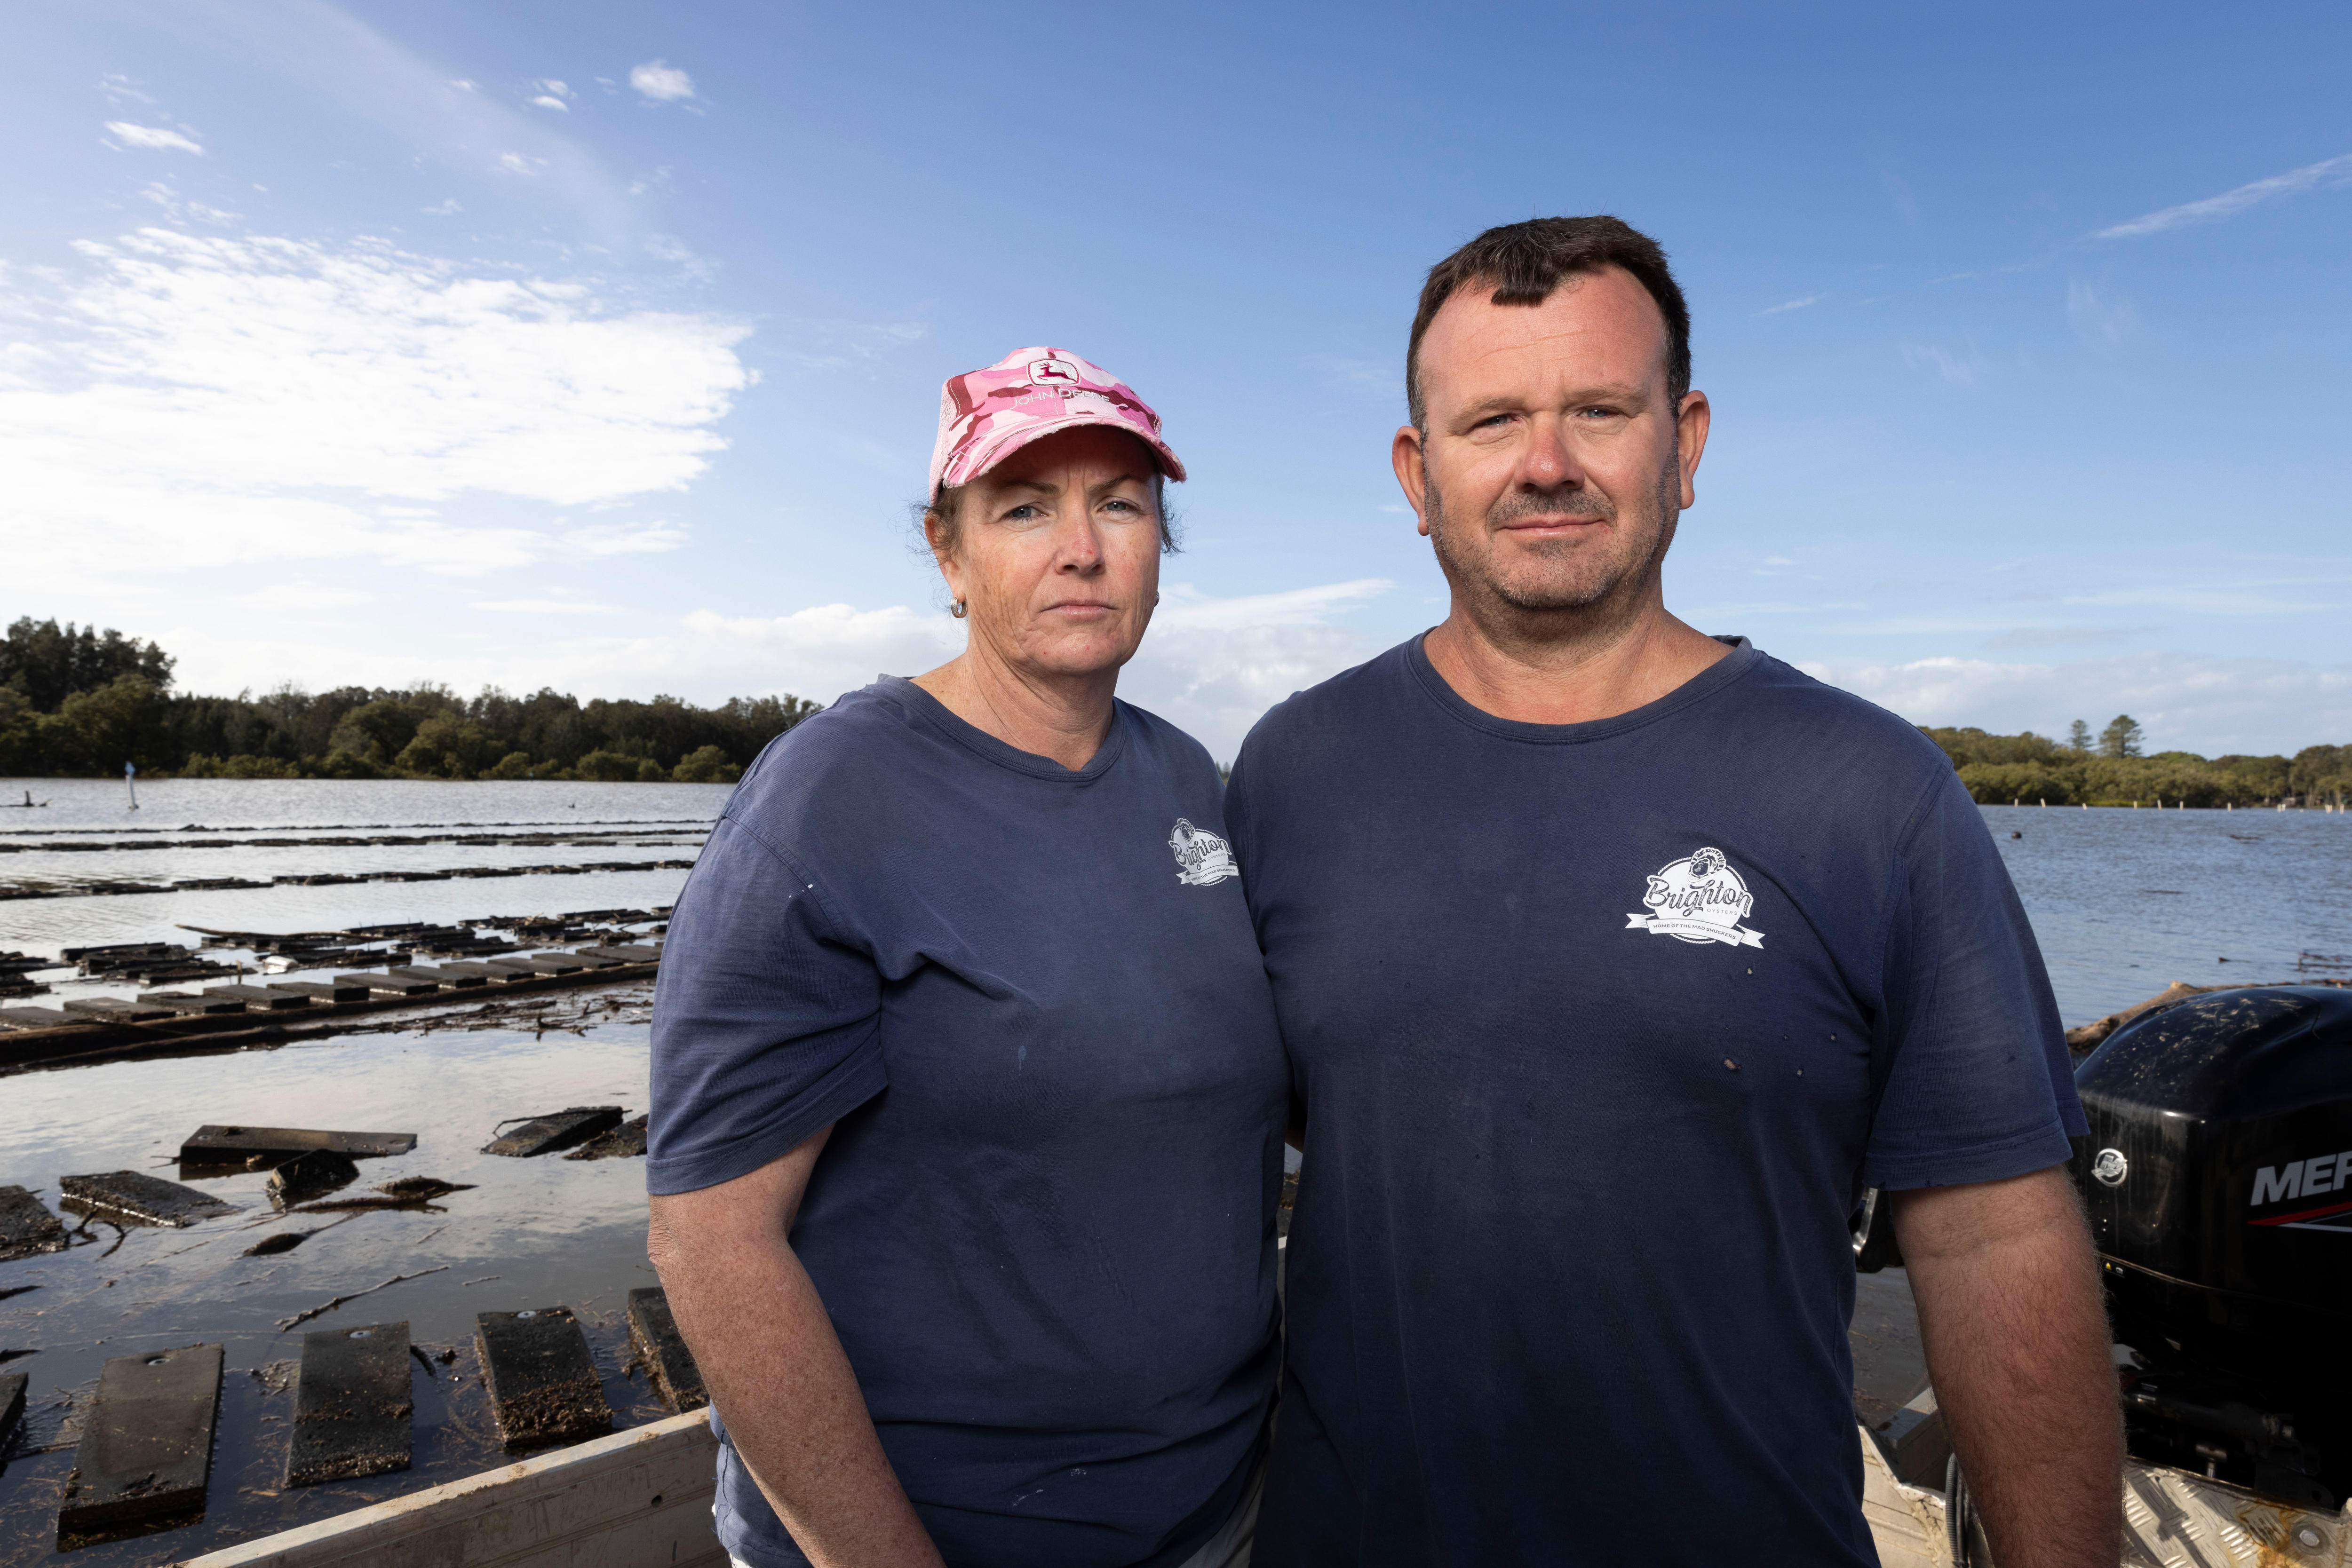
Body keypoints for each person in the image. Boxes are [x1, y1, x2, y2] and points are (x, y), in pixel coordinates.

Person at [1224, 219, 2122, 1567]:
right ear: (1417, 472)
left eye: (1599, 410)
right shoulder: (1292, 772)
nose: (1546, 463)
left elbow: (1994, 1238)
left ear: (1685, 444)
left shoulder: (1870, 791)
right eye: (1491, 421)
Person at [647, 347, 1285, 1568]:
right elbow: (713, 1240)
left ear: (1160, 542)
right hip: (945, 1532)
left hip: (1213, 1513)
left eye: (1121, 504)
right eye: (1025, 509)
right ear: (950, 554)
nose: (1082, 549)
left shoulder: (1189, 781)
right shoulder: (835, 795)